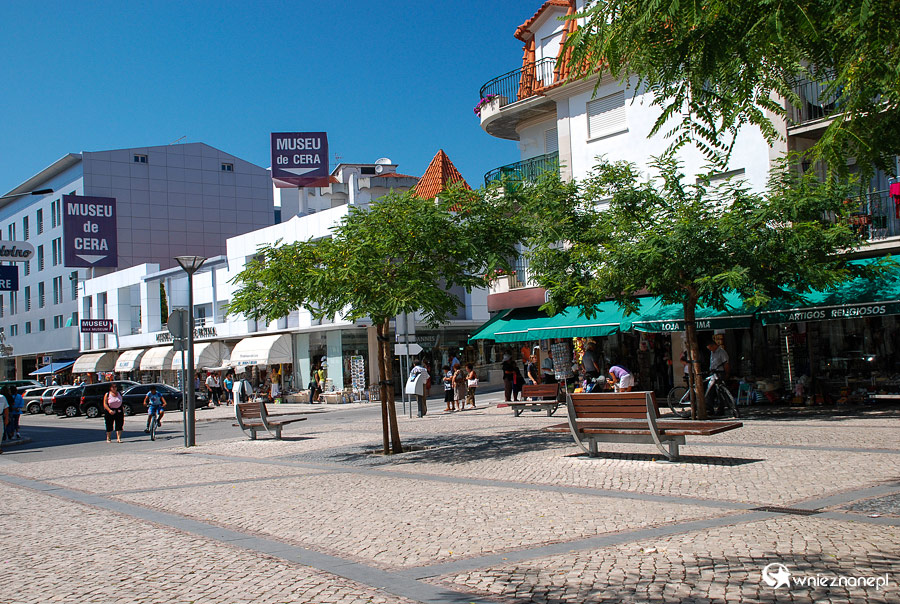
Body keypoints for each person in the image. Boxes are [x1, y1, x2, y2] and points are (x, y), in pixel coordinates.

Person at [707, 339, 731, 415]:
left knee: (720, 392)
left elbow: (726, 364)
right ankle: (710, 409)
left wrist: (727, 374)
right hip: (712, 373)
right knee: (710, 391)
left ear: (713, 345)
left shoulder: (722, 352)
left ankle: (721, 410)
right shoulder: (712, 352)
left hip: (720, 373)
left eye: (710, 348)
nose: (710, 350)